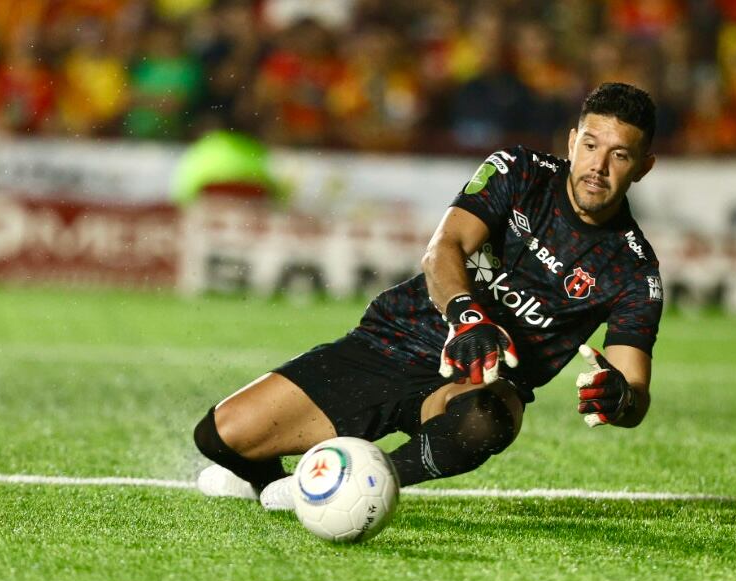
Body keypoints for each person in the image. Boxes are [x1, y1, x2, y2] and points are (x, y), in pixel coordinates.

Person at [193, 82, 663, 509]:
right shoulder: (519, 171)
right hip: (393, 340)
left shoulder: (634, 270)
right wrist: (466, 317)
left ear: (643, 167)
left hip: (474, 382)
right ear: (571, 141)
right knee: (218, 436)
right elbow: (444, 249)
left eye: (620, 155)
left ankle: (360, 483)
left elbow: (632, 389)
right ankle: (280, 484)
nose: (598, 167)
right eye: (591, 145)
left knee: (486, 418)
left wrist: (618, 398)